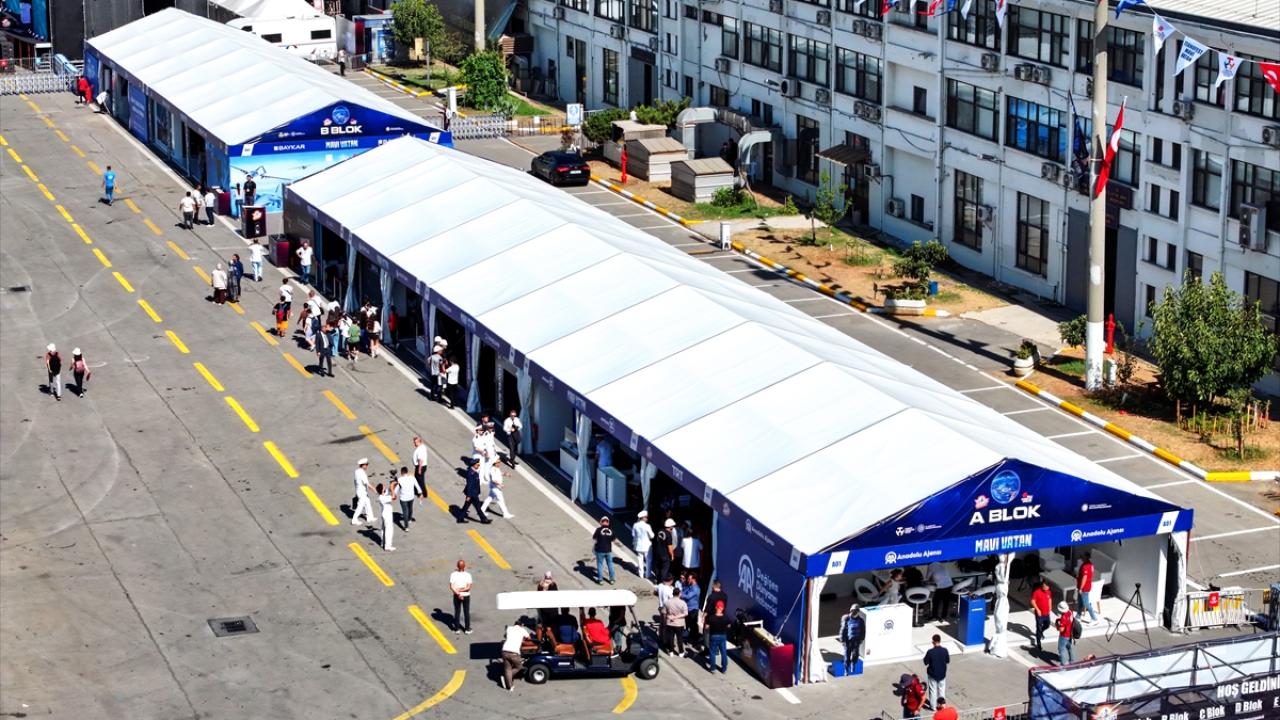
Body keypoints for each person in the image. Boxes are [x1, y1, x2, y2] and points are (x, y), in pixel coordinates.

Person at [500, 620, 532, 690]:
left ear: (514, 624)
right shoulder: (522, 630)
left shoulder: (509, 628)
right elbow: (529, 638)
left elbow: (505, 636)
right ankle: (506, 677)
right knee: (519, 667)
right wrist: (522, 639)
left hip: (504, 651)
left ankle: (510, 686)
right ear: (521, 625)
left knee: (507, 669)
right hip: (514, 653)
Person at [460, 456, 490, 523]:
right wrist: (468, 496)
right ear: (473, 465)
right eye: (477, 465)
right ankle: (484, 519)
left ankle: (460, 518)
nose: (479, 466)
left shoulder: (474, 472)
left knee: (466, 507)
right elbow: (470, 485)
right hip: (472, 494)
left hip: (473, 493)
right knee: (478, 507)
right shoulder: (471, 473)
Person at [922, 634, 949, 710]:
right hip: (942, 674)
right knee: (941, 690)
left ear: (933, 642)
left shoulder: (930, 652)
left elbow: (925, 662)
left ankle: (933, 707)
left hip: (932, 674)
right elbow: (947, 661)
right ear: (940, 641)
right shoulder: (945, 650)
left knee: (933, 691)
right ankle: (942, 706)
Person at [703, 601, 731, 673]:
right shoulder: (726, 617)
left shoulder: (711, 618)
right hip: (723, 636)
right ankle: (724, 669)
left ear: (716, 607)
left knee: (712, 652)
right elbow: (729, 625)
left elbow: (706, 627)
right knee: (723, 652)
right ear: (723, 608)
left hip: (713, 636)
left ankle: (713, 668)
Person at [838, 603, 865, 674]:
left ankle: (853, 664)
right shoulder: (846, 618)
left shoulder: (861, 620)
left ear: (858, 611)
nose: (854, 612)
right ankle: (846, 669)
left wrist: (862, 638)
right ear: (851, 610)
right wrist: (842, 639)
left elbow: (863, 630)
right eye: (853, 610)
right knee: (847, 655)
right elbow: (843, 629)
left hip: (856, 640)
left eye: (856, 610)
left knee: (855, 654)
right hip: (848, 640)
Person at [661, 585, 688, 656]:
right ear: (679, 594)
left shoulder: (667, 602)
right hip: (679, 624)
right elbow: (685, 613)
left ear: (673, 593)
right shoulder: (683, 603)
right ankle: (681, 652)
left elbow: (664, 613)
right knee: (679, 638)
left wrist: (665, 621)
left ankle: (671, 652)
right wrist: (676, 617)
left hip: (670, 623)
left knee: (670, 637)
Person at [449, 560, 473, 634]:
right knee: (466, 612)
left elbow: (451, 587)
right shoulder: (468, 575)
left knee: (457, 612)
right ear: (464, 566)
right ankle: (467, 629)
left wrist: (458, 593)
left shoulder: (453, 575)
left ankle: (456, 629)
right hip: (466, 595)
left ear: (457, 566)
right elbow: (468, 587)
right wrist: (462, 590)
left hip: (456, 596)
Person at [392, 466, 419, 531]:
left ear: (402, 472)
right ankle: (409, 519)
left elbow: (397, 488)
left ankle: (406, 527)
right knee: (410, 508)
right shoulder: (412, 478)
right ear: (407, 472)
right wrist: (420, 493)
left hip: (403, 499)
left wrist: (394, 494)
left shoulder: (400, 479)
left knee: (405, 512)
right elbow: (417, 486)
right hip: (411, 497)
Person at [351, 458, 375, 526]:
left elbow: (355, 482)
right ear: (363, 465)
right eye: (366, 465)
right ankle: (354, 520)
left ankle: (370, 517)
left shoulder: (357, 471)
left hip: (359, 491)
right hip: (362, 492)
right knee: (360, 506)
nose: (367, 466)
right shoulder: (362, 473)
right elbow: (367, 484)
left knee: (367, 503)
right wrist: (374, 490)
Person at [1030, 578, 1052, 652]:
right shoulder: (1037, 592)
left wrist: (1050, 607)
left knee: (1047, 625)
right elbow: (1032, 601)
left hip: (1046, 613)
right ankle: (1038, 643)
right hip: (1039, 614)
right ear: (1042, 585)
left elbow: (1049, 599)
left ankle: (1041, 632)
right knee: (1038, 628)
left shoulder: (1048, 592)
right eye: (1044, 586)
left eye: (1047, 586)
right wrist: (1037, 609)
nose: (1046, 588)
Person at [592, 517, 616, 585]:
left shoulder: (598, 530)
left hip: (600, 550)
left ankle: (600, 580)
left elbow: (594, 538)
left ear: (601, 522)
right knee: (610, 564)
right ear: (608, 522)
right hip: (608, 550)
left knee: (600, 565)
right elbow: (613, 539)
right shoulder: (611, 530)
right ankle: (612, 579)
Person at [681, 573, 702, 648]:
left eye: (689, 579)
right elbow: (684, 591)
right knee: (688, 624)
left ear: (694, 579)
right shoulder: (689, 586)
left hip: (693, 609)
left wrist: (681, 595)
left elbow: (688, 596)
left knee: (693, 625)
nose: (688, 580)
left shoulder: (696, 588)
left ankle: (696, 640)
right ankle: (689, 637)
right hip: (688, 608)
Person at [1076, 552, 1098, 624]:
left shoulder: (1086, 566)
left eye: (1082, 556)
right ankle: (1078, 616)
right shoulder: (1089, 564)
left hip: (1084, 588)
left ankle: (1094, 619)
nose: (1081, 557)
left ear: (1086, 557)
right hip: (1084, 586)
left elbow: (1085, 578)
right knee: (1080, 602)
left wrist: (1081, 588)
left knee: (1086, 604)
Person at [632, 510, 654, 581]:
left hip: (638, 545)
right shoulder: (647, 526)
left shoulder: (635, 525)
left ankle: (641, 574)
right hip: (647, 545)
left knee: (640, 559)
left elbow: (633, 534)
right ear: (643, 518)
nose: (647, 518)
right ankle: (648, 574)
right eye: (646, 517)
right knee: (648, 560)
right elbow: (652, 536)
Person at [652, 518, 675, 586]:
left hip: (658, 553)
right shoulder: (668, 535)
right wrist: (672, 555)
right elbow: (670, 547)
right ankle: (662, 583)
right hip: (665, 555)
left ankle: (657, 580)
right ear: (670, 527)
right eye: (672, 527)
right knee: (664, 569)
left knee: (658, 568)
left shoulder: (660, 531)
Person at [376, 482, 396, 551]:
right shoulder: (383, 498)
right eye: (383, 486)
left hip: (384, 514)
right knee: (389, 530)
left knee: (383, 529)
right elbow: (393, 497)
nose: (385, 486)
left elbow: (388, 490)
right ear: (382, 490)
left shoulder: (382, 495)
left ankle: (383, 542)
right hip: (387, 515)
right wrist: (392, 487)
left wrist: (393, 485)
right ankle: (388, 546)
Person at [1055, 601, 1076, 665]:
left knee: (1061, 649)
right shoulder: (1070, 612)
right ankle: (1072, 661)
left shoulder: (1063, 618)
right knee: (1069, 647)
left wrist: (1057, 626)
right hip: (1070, 634)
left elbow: (1061, 629)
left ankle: (1064, 663)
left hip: (1064, 635)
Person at [411, 436, 428, 509]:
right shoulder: (422, 447)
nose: (414, 444)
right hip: (422, 466)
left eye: (416, 442)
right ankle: (417, 491)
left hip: (420, 466)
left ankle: (424, 494)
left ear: (419, 442)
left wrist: (419, 469)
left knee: (420, 481)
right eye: (414, 442)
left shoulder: (420, 450)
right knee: (417, 479)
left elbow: (420, 460)